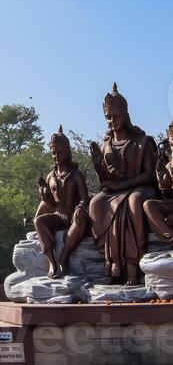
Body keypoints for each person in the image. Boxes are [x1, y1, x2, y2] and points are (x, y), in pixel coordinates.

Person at [88, 84, 157, 285]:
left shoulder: (142, 141)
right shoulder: (106, 144)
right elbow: (105, 181)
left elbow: (148, 175)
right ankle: (111, 263)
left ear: (125, 114)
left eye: (115, 116)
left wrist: (121, 187)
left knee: (134, 201)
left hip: (140, 188)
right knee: (96, 203)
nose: (111, 121)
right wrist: (97, 165)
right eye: (108, 117)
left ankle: (134, 265)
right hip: (116, 191)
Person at [34, 126, 88, 278]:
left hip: (73, 215)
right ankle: (52, 262)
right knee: (39, 221)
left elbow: (85, 198)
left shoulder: (76, 174)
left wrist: (80, 207)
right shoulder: (51, 176)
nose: (56, 156)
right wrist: (45, 195)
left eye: (59, 152)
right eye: (53, 153)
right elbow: (51, 203)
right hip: (58, 214)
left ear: (67, 151)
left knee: (80, 220)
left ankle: (63, 258)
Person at [143, 123, 173, 245]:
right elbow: (169, 199)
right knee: (149, 205)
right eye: (172, 144)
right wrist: (165, 186)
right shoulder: (169, 166)